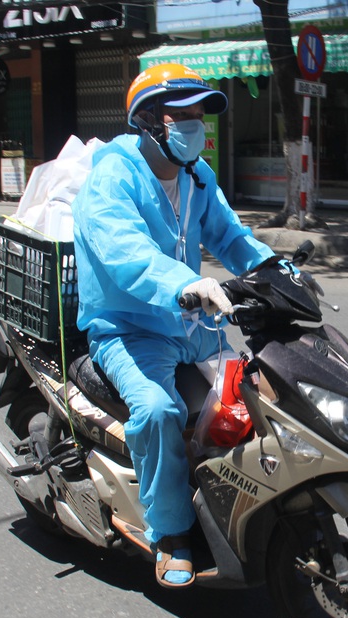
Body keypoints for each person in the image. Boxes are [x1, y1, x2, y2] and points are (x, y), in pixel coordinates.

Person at [72, 64, 278, 588]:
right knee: (160, 411)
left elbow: (232, 239)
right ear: (146, 121)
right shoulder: (112, 177)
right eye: (180, 116)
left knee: (258, 394)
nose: (195, 126)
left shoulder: (197, 176)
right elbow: (128, 253)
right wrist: (185, 284)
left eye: (199, 116)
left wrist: (280, 273)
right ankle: (170, 533)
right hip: (128, 330)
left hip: (194, 325)